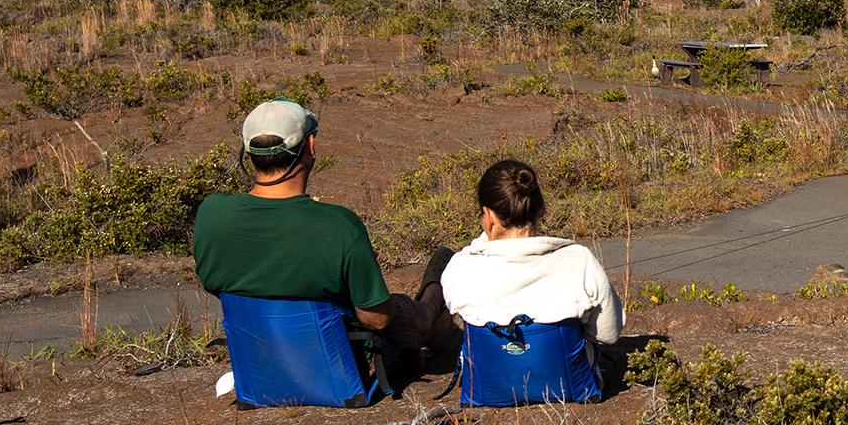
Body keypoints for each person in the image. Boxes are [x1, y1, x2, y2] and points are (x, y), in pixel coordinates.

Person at [194, 99, 459, 372]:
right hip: (337, 361)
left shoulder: (212, 213)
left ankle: (436, 312)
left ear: (248, 154)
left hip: (262, 356)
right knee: (406, 312)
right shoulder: (339, 225)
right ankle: (434, 302)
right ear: (311, 146)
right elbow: (376, 319)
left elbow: (212, 282)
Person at [439, 159, 623, 374]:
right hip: (567, 383)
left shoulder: (460, 267)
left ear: (488, 216)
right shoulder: (579, 261)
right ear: (541, 210)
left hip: (490, 382)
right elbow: (608, 334)